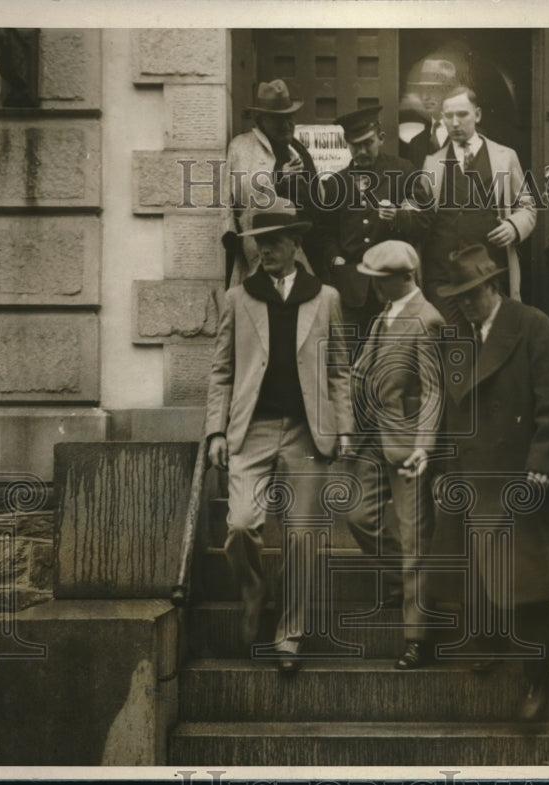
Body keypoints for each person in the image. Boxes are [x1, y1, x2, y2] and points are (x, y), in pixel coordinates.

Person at [205, 197, 352, 674]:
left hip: (308, 434)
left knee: (303, 537)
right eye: (259, 243)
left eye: (274, 242)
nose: (265, 251)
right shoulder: (238, 298)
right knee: (242, 523)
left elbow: (338, 370)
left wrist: (343, 427)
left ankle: (289, 635)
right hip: (253, 429)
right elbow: (222, 371)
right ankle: (252, 588)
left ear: (295, 244)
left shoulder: (324, 298)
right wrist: (215, 432)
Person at [430, 244, 549, 720]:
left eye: (473, 294)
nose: (467, 304)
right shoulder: (459, 338)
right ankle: (487, 640)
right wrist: (446, 470)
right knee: (478, 571)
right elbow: (453, 414)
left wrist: (542, 463)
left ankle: (538, 686)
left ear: (493, 286)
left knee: (529, 589)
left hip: (521, 479)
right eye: (460, 298)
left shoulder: (534, 327)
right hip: (474, 478)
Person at [336, 240, 446, 670]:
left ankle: (418, 637)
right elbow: (362, 372)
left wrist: (424, 446)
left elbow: (434, 390)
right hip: (369, 439)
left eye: (382, 282)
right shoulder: (384, 314)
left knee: (415, 536)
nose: (376, 290)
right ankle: (406, 579)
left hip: (406, 444)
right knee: (359, 517)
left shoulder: (427, 319)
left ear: (405, 278)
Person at [396, 86, 536, 323]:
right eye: (448, 116)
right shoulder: (432, 163)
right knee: (452, 346)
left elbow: (527, 206)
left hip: (489, 273)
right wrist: (403, 211)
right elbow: (418, 207)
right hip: (442, 276)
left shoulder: (505, 157)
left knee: (490, 342)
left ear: (477, 115)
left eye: (462, 114)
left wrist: (514, 226)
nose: (455, 122)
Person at [318, 106, 417, 342]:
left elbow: (426, 219)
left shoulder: (404, 171)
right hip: (351, 291)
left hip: (393, 287)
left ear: (381, 139)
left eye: (368, 143)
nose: (362, 151)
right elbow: (325, 233)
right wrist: (336, 260)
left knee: (394, 360)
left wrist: (399, 216)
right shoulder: (335, 183)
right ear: (346, 144)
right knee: (352, 360)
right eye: (355, 145)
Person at [222, 79, 325, 287]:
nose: (287, 125)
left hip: (302, 251)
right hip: (264, 252)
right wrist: (278, 177)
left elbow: (318, 198)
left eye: (290, 118)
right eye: (278, 119)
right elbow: (241, 196)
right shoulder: (242, 147)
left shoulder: (297, 149)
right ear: (260, 120)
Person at [399, 58, 459, 169]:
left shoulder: (472, 136)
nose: (425, 97)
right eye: (423, 89)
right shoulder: (416, 143)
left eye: (433, 89)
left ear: (449, 91)